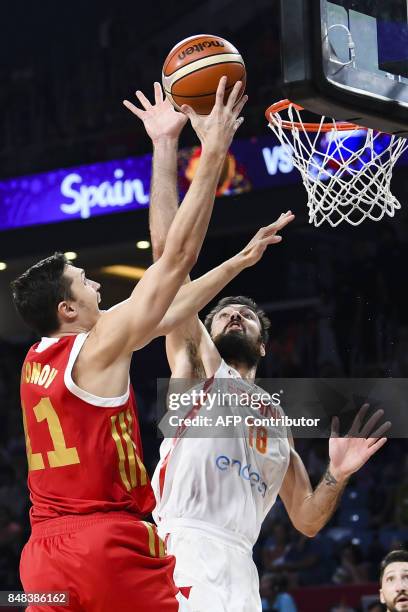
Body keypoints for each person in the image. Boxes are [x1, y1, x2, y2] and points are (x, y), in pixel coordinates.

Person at [133, 85, 392, 612]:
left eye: (247, 314)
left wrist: (336, 475)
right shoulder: (197, 370)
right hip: (180, 550)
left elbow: (308, 520)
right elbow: (168, 262)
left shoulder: (279, 428)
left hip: (241, 572)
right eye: (224, 311)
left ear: (264, 346)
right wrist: (166, 146)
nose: (234, 313)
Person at [11, 77, 248, 612]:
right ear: (67, 310)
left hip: (41, 559)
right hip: (105, 547)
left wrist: (164, 146)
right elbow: (176, 259)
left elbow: (173, 307)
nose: (97, 285)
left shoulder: (35, 359)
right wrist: (210, 153)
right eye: (85, 283)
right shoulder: (96, 345)